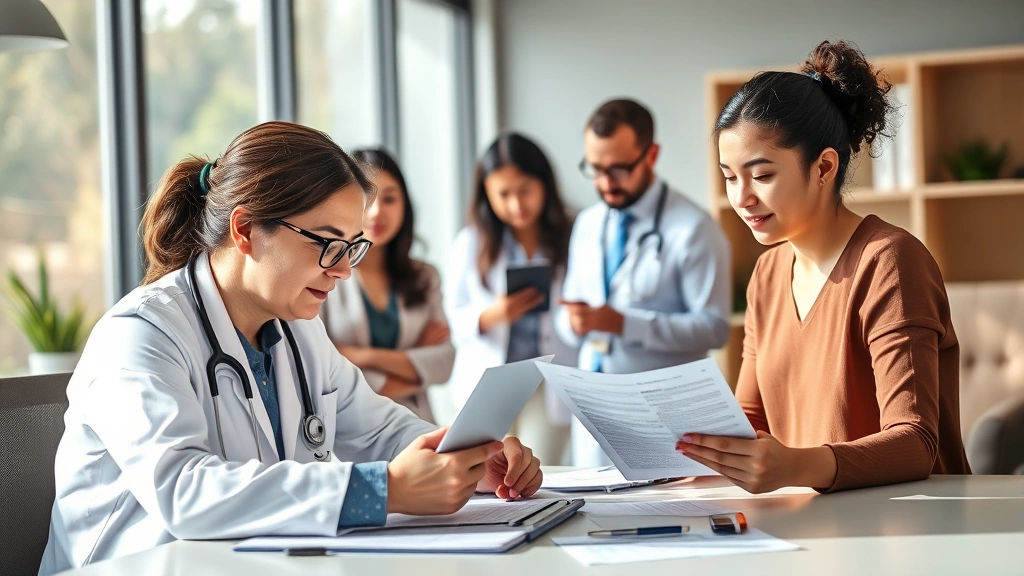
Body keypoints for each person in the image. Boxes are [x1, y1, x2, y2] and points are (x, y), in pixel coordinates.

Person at [39, 122, 542, 575]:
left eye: (352, 246)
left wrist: (466, 458)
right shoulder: (140, 334)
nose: (343, 269)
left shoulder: (298, 329)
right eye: (326, 242)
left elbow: (378, 428)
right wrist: (382, 490)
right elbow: (184, 492)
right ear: (245, 229)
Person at [679, 40, 971, 493]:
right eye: (730, 177)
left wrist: (795, 468)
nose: (742, 198)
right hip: (807, 522)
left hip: (909, 522)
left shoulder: (890, 261)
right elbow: (751, 419)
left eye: (762, 175)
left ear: (823, 167)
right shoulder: (768, 273)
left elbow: (915, 442)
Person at [556, 98, 732, 467]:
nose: (606, 183)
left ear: (651, 155)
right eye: (596, 168)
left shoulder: (694, 228)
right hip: (594, 411)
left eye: (619, 169)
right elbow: (570, 312)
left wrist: (624, 323)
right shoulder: (586, 224)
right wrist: (573, 324)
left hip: (663, 417)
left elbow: (714, 329)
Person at [445, 132, 578, 466]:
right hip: (491, 380)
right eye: (503, 194)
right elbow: (454, 319)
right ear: (486, 193)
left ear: (544, 185)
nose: (517, 205)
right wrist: (493, 315)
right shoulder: (471, 243)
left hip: (548, 379)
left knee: (541, 471)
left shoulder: (574, 233)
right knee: (489, 474)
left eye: (525, 190)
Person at [321, 148, 452, 423]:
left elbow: (443, 362)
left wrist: (360, 355)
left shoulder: (425, 276)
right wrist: (413, 362)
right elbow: (324, 365)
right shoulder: (325, 273)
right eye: (367, 199)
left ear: (406, 204)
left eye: (390, 198)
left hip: (418, 424)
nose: (379, 211)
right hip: (350, 430)